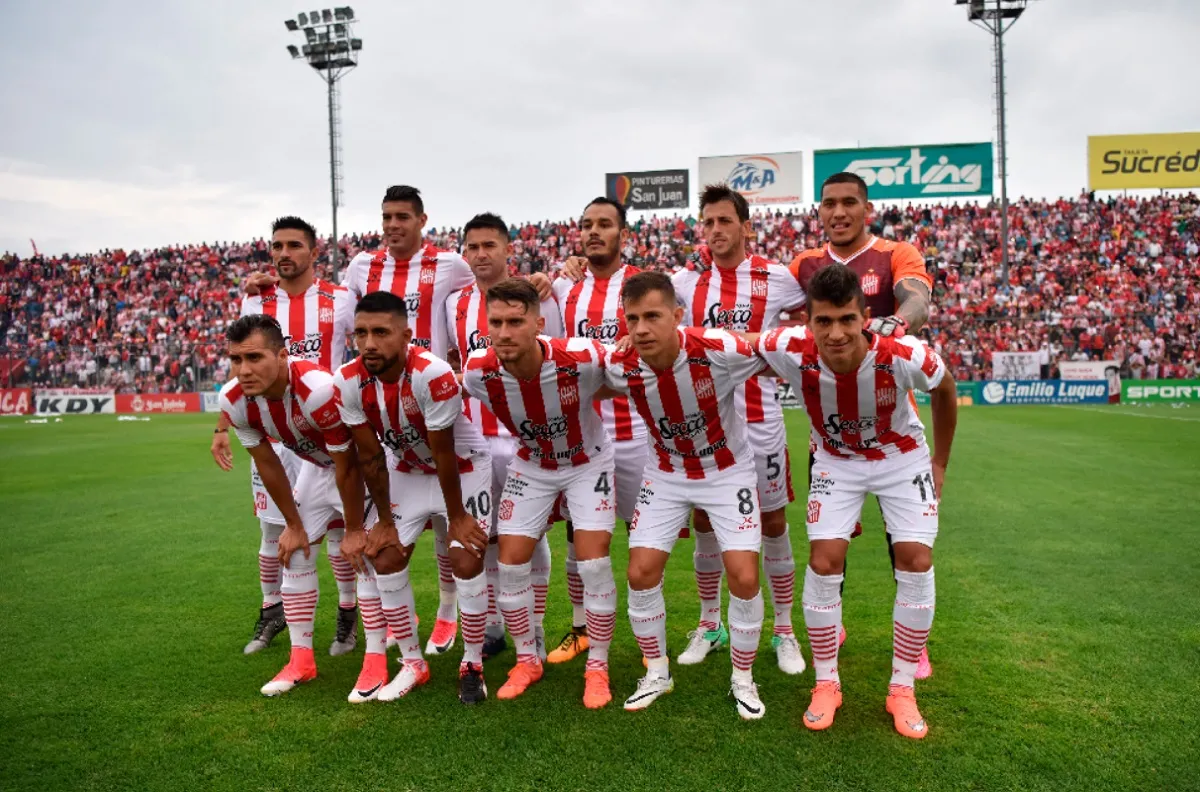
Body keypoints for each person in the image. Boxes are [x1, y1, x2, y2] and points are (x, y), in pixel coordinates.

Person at [243, 186, 552, 657]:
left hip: (458, 412)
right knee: (349, 529)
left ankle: (472, 618)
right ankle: (358, 623)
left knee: (504, 531)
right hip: (383, 415)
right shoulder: (361, 269)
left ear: (421, 220)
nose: (393, 224)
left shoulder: (450, 266)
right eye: (386, 216)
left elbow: (501, 295)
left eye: (402, 216)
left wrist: (543, 280)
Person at [752, 263, 957, 739]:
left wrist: (940, 465)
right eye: (823, 321)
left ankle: (901, 689)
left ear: (865, 317)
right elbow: (729, 344)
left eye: (847, 319)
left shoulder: (905, 354)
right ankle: (827, 684)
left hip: (900, 457)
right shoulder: (787, 348)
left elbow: (945, 391)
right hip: (836, 461)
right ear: (808, 321)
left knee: (916, 559)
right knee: (825, 562)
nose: (836, 332)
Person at [789, 171, 937, 680]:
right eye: (829, 204)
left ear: (866, 209)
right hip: (830, 433)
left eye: (849, 202)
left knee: (907, 541)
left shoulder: (896, 253)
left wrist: (899, 322)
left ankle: (912, 641)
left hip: (893, 424)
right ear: (820, 211)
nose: (839, 212)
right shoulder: (804, 264)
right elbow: (763, 300)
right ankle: (836, 623)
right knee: (832, 540)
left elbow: (917, 297)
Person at [604, 272, 768, 721]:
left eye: (652, 316)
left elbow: (775, 349)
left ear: (677, 317)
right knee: (640, 572)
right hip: (667, 472)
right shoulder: (619, 363)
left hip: (727, 471)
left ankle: (743, 678)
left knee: (744, 576)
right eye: (632, 318)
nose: (640, 329)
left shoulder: (718, 350)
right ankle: (657, 672)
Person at [462, 279, 619, 709]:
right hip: (532, 465)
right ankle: (528, 659)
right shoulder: (478, 371)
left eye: (516, 321)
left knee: (594, 563)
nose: (506, 331)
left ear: (539, 323)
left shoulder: (581, 358)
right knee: (510, 564)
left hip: (588, 464)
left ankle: (598, 667)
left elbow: (623, 374)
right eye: (497, 322)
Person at [670, 184, 807, 675]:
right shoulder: (687, 283)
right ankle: (711, 624)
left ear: (746, 226)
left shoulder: (777, 278)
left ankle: (785, 630)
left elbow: (820, 311)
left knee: (773, 525)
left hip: (763, 423)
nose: (714, 231)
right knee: (705, 525)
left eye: (724, 221)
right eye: (707, 222)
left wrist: (780, 354)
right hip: (707, 429)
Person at [332, 291, 493, 705]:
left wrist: (456, 517)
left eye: (381, 333)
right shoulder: (347, 380)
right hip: (406, 468)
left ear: (406, 335)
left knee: (466, 556)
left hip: (463, 466)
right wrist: (384, 520)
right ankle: (412, 663)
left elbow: (443, 453)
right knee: (384, 555)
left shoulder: (432, 374)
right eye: (361, 333)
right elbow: (369, 456)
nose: (369, 343)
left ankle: (472, 662)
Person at [211, 216, 358, 657]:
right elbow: (241, 366)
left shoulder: (343, 298)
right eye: (276, 246)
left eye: (294, 245)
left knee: (337, 531)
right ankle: (272, 609)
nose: (283, 254)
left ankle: (347, 615)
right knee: (275, 529)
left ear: (314, 252)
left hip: (325, 427)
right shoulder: (255, 301)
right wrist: (222, 426)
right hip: (275, 433)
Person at [218, 314, 361, 696]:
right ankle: (302, 661)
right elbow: (268, 463)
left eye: (254, 358)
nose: (243, 370)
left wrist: (355, 528)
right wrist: (294, 525)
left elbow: (349, 463)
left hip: (362, 467)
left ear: (282, 355)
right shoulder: (234, 401)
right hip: (318, 468)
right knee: (294, 552)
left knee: (368, 555)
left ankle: (379, 659)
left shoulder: (316, 389)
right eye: (235, 360)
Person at [446, 213, 563, 662]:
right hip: (473, 441)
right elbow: (451, 360)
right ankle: (495, 624)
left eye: (489, 245)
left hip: (523, 440)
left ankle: (533, 626)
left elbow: (556, 361)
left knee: (531, 535)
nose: (480, 255)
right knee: (487, 535)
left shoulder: (536, 298)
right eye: (472, 247)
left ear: (507, 249)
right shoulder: (454, 303)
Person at [549, 197, 650, 666]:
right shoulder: (565, 291)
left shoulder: (643, 287)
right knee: (578, 536)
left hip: (638, 435)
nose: (593, 232)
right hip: (584, 438)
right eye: (586, 224)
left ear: (623, 235)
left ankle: (656, 633)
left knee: (646, 536)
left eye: (604, 224)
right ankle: (580, 628)